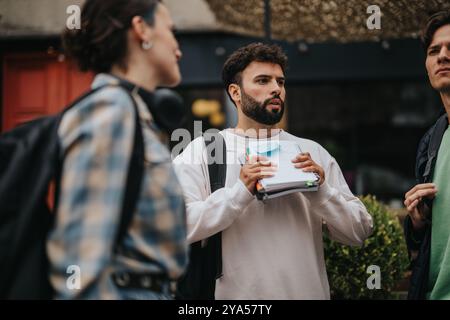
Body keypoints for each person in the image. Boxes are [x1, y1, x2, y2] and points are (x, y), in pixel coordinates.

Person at [173, 43, 373, 299]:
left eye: (280, 81)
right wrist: (238, 194)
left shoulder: (311, 151)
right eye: (263, 80)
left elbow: (359, 232)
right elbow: (177, 226)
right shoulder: (204, 151)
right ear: (235, 92)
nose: (276, 89)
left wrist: (321, 191)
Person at [47, 0, 187, 299]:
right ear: (141, 30)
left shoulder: (133, 113)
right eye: (171, 31)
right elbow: (78, 264)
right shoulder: (110, 110)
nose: (178, 47)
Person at [403, 10, 450, 300]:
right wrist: (418, 221)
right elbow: (425, 237)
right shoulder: (431, 141)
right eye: (434, 51)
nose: (442, 56)